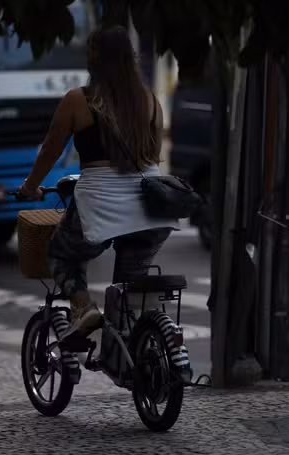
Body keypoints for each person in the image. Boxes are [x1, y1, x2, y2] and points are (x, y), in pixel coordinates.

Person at [17, 25, 178, 339]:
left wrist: (29, 187)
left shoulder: (78, 100)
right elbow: (154, 155)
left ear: (95, 58)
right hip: (152, 208)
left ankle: (84, 308)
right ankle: (131, 351)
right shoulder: (149, 100)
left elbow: (51, 149)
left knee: (62, 254)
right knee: (130, 287)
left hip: (101, 201)